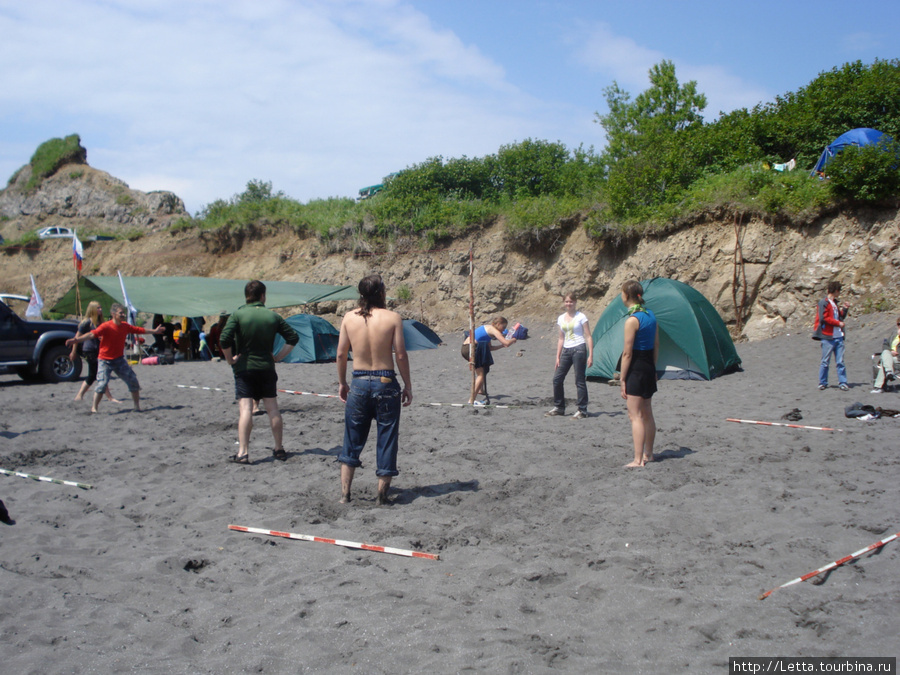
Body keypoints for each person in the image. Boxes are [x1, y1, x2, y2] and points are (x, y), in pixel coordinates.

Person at [337, 274, 412, 505]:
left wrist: (342, 382)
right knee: (387, 437)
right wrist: (408, 384)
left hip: (359, 381)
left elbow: (341, 354)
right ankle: (381, 496)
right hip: (385, 381)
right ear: (381, 292)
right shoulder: (392, 318)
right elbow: (400, 354)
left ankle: (345, 495)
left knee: (352, 438)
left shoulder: (349, 318)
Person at [219, 280, 299, 465]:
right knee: (273, 409)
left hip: (245, 368)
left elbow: (224, 338)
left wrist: (230, 359)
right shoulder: (272, 316)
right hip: (266, 368)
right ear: (263, 295)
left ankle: (243, 452)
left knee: (246, 409)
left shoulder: (238, 314)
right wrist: (278, 357)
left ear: (246, 295)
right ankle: (279, 448)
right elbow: (293, 337)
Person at [65, 303, 165, 413]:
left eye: (123, 313)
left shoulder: (125, 326)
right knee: (102, 384)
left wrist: (154, 331)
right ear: (113, 314)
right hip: (104, 360)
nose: (123, 315)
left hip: (119, 360)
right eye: (120, 313)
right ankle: (94, 408)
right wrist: (75, 340)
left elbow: (139, 330)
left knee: (133, 380)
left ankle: (136, 406)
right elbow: (90, 335)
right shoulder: (106, 326)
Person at [619, 281, 659, 468]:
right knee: (647, 412)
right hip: (649, 365)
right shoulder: (651, 315)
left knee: (635, 415)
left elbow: (627, 353)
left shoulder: (632, 320)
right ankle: (648, 454)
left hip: (637, 367)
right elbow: (657, 345)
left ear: (627, 295)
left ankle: (637, 459)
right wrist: (654, 368)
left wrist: (622, 378)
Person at [545, 293, 593, 419]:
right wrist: (557, 356)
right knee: (557, 379)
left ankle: (582, 409)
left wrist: (590, 355)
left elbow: (588, 336)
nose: (568, 304)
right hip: (566, 350)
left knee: (579, 380)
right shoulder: (561, 318)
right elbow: (561, 338)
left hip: (579, 349)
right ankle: (559, 407)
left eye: (571, 301)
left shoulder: (581, 317)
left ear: (575, 302)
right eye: (566, 301)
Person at [70, 301, 120, 404]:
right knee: (94, 374)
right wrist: (73, 351)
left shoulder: (100, 322)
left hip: (99, 350)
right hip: (89, 351)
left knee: (101, 373)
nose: (100, 310)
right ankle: (80, 395)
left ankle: (107, 396)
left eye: (101, 307)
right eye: (98, 308)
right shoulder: (86, 323)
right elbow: (77, 338)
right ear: (92, 309)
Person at [460, 317, 516, 405]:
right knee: (481, 375)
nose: (504, 329)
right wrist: (513, 339)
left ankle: (480, 390)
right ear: (498, 324)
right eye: (503, 327)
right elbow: (507, 343)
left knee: (482, 370)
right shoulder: (492, 329)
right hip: (471, 349)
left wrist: (501, 346)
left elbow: (490, 348)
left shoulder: (488, 331)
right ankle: (471, 400)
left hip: (467, 348)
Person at [812, 280, 850, 391]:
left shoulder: (834, 304)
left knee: (840, 361)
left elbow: (840, 316)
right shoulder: (824, 302)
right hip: (827, 336)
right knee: (825, 361)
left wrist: (845, 309)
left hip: (838, 336)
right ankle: (823, 382)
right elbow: (824, 318)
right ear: (836, 290)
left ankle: (842, 382)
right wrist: (838, 323)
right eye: (839, 291)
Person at [871, 316, 900, 393]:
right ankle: (889, 372)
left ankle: (879, 387)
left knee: (884, 362)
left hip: (898, 359)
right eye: (898, 324)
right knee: (886, 353)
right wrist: (891, 351)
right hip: (891, 358)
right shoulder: (894, 334)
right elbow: (885, 344)